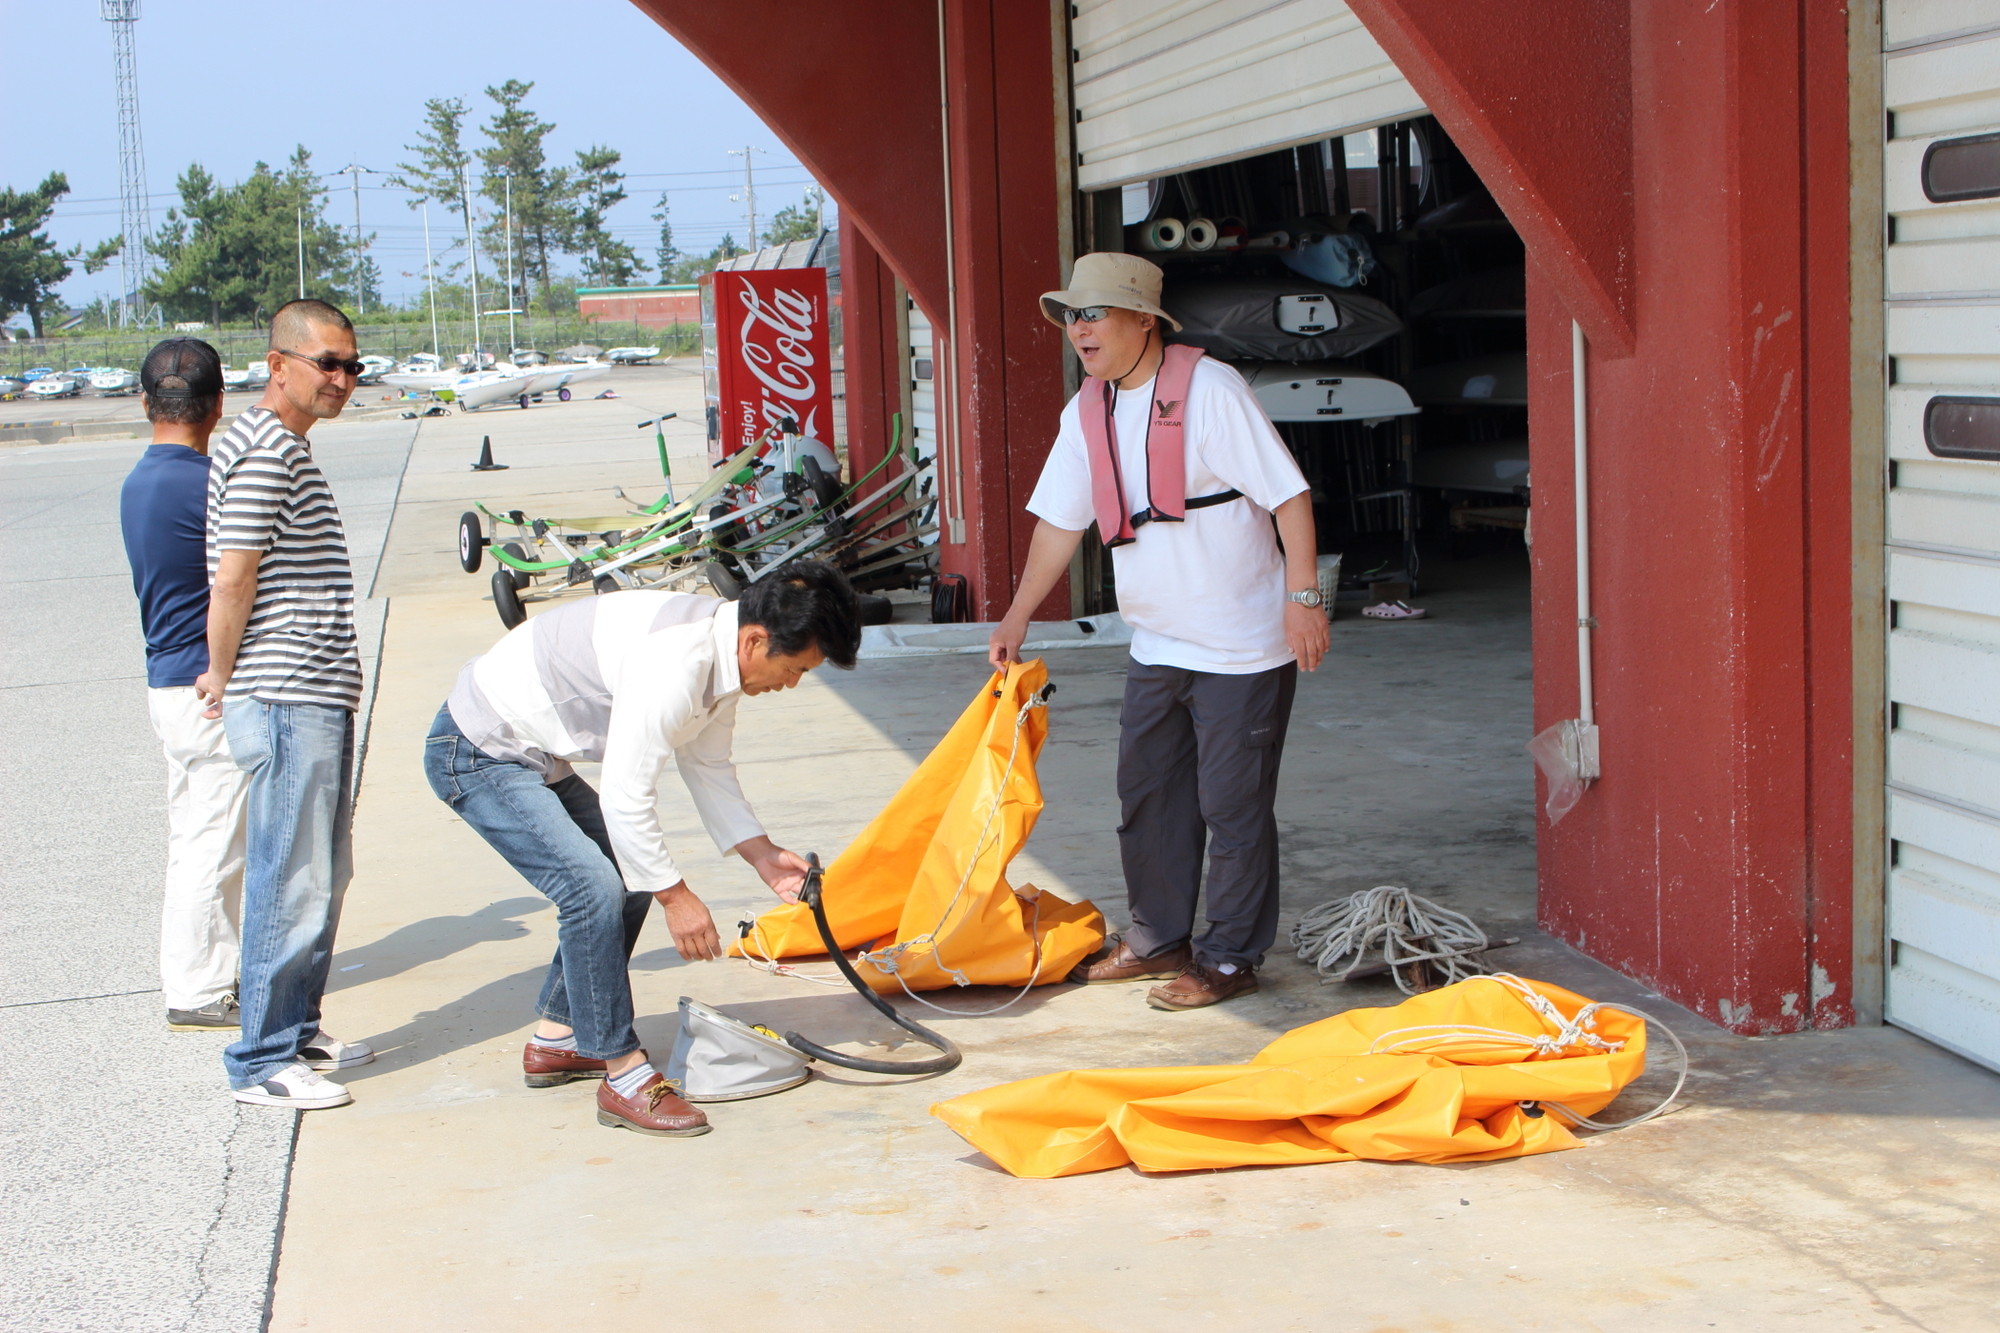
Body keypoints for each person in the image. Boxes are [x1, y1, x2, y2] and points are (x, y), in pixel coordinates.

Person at [988, 251, 1330, 1011]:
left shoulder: (1212, 391)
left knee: (1232, 808)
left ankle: (1231, 957)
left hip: (1241, 647)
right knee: (1148, 799)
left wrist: (1304, 596)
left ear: (1145, 320)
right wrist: (1017, 613)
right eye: (1071, 314)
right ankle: (1158, 938)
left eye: (1094, 313)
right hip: (1157, 645)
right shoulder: (1089, 410)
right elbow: (1059, 524)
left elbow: (1289, 496)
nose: (1079, 328)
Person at [423, 562, 862, 1137]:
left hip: (530, 751)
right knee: (595, 889)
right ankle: (623, 1076)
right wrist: (676, 897)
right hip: (477, 749)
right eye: (795, 668)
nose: (792, 683)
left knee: (627, 878)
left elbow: (707, 764)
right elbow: (625, 795)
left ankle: (561, 1036)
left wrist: (762, 854)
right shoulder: (676, 660)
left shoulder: (723, 654)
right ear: (756, 641)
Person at [195, 299, 374, 1110]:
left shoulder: (275, 444)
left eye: (351, 366)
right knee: (291, 876)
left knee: (322, 871)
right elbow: (234, 574)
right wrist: (220, 670)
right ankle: (261, 1059)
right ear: (278, 364)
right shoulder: (268, 450)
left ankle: (296, 1028)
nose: (341, 379)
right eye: (326, 363)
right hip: (287, 689)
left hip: (313, 687)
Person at [119, 338, 248, 1031]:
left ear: (146, 404)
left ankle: (190, 970)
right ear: (218, 404)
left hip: (166, 681)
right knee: (216, 846)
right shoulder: (212, 484)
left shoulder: (139, 481)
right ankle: (200, 988)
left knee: (192, 838)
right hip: (208, 686)